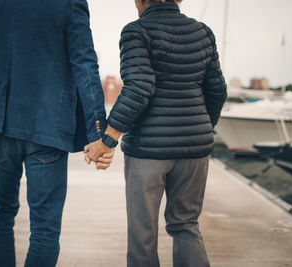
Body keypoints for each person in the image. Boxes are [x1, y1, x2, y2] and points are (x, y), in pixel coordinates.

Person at [0, 0, 114, 266]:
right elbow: (85, 62)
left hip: (0, 124)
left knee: (0, 212)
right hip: (48, 125)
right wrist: (97, 131)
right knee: (45, 228)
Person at [85, 0, 227, 266]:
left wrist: (107, 139)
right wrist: (202, 128)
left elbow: (139, 88)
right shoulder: (203, 32)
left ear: (140, 0)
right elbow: (217, 90)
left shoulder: (137, 31)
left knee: (143, 234)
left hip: (148, 151)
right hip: (195, 150)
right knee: (186, 225)